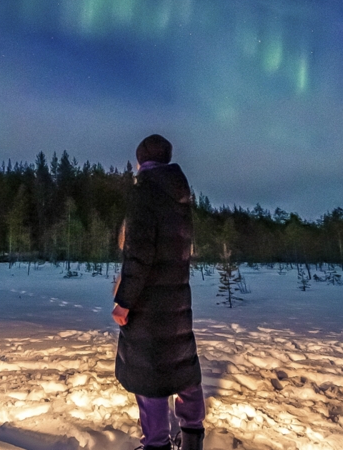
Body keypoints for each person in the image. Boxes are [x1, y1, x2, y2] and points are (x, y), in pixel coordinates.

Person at [112, 134, 205, 450]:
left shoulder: (145, 193)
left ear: (141, 161)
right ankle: (192, 438)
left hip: (149, 303)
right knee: (182, 368)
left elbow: (139, 254)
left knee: (149, 375)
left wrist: (124, 301)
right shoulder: (179, 196)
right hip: (176, 299)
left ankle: (156, 444)